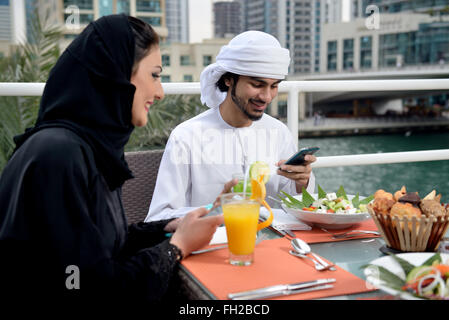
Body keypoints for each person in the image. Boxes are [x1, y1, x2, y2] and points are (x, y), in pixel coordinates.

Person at [0, 15, 223, 307]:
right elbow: (87, 286)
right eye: (155, 75)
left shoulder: (88, 148)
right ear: (114, 75)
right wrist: (177, 247)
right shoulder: (59, 157)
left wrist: (169, 227)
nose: (160, 92)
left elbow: (100, 246)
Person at [146, 31, 316, 222]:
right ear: (229, 79)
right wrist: (216, 210)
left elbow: (298, 207)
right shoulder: (186, 137)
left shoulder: (279, 132)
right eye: (257, 84)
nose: (267, 97)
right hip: (206, 245)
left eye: (274, 86)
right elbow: (158, 218)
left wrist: (303, 182)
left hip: (268, 242)